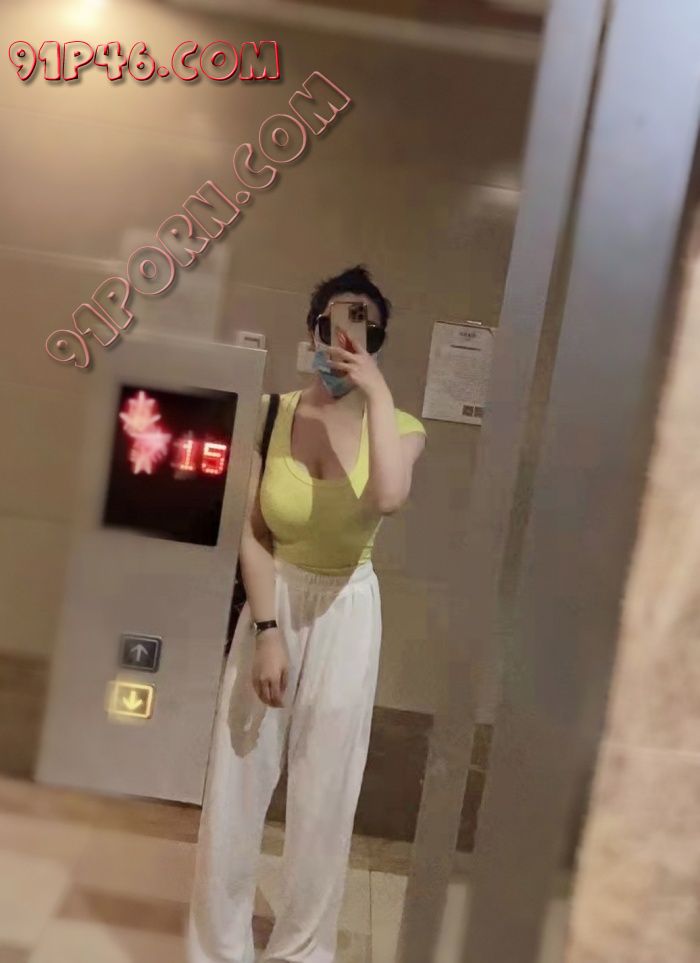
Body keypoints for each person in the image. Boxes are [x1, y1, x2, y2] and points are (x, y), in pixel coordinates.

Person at [187, 264, 427, 963]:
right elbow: (253, 532)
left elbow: (387, 498)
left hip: (348, 610)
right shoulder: (272, 412)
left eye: (363, 325)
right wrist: (267, 633)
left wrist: (376, 391)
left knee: (326, 794)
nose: (345, 336)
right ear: (313, 330)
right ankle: (216, 949)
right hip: (275, 599)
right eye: (334, 321)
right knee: (236, 781)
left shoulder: (400, 425)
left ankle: (299, 952)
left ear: (377, 339)